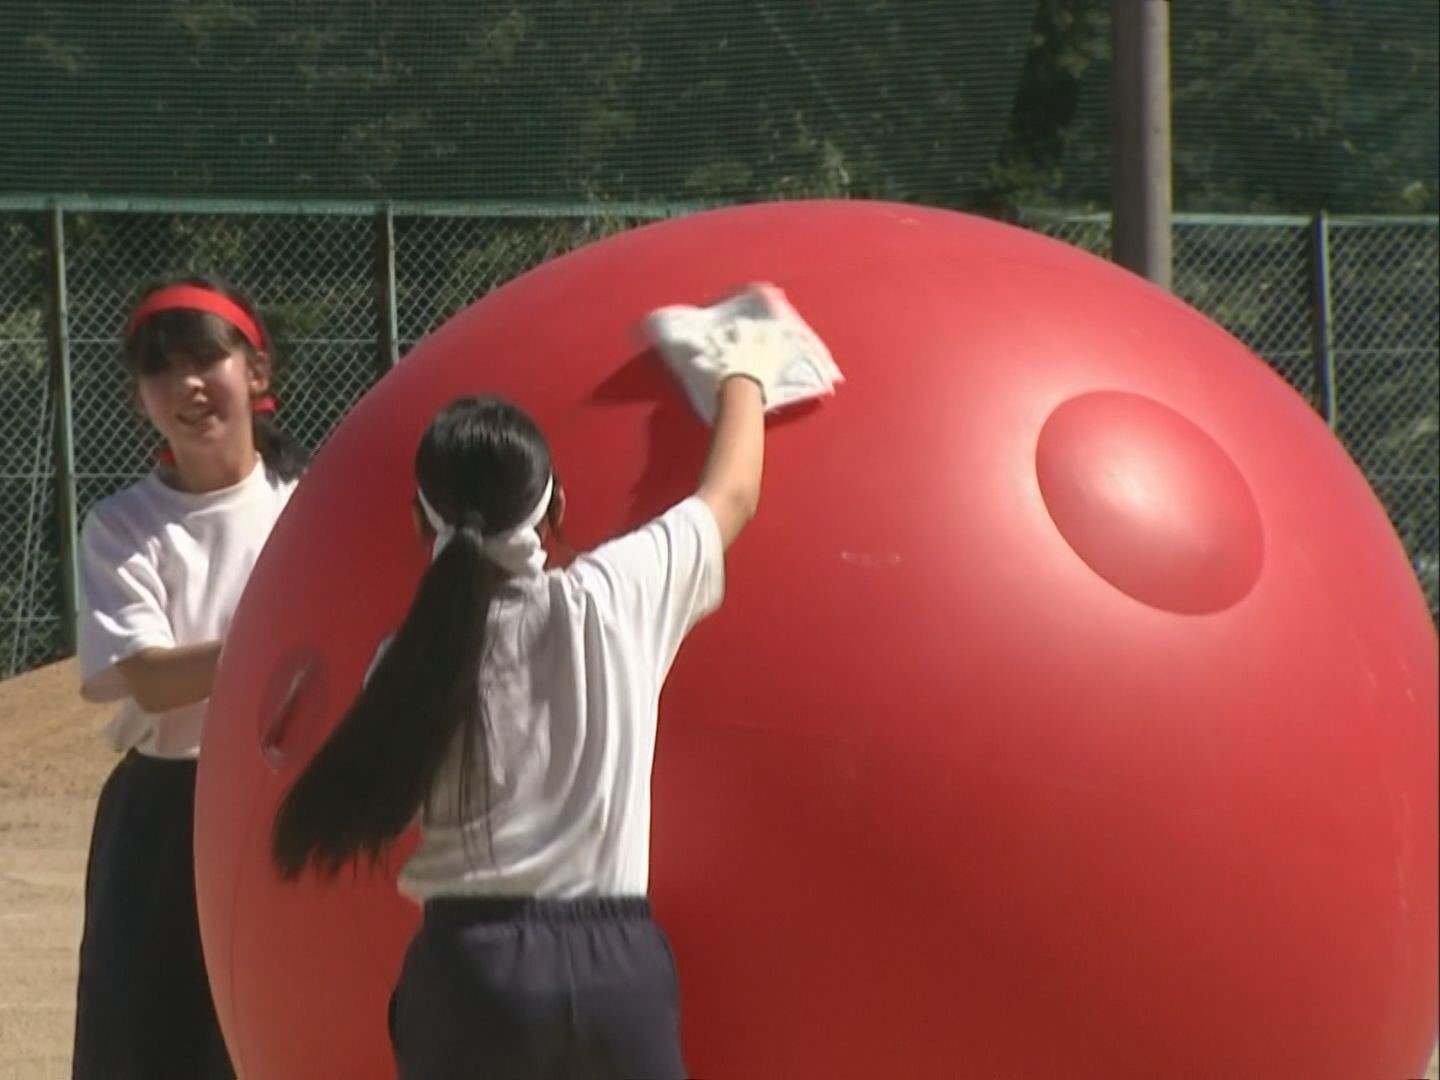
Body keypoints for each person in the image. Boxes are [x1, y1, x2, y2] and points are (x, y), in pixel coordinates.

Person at [270, 313, 799, 1079]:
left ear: (420, 518)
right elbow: (733, 494)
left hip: (472, 976)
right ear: (555, 509)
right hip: (619, 974)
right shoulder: (614, 597)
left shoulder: (405, 662)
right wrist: (744, 370)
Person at [73, 275, 307, 1079]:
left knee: (273, 1035)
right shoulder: (121, 526)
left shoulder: (309, 507)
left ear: (257, 370)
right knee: (144, 1042)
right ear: (140, 396)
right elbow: (151, 680)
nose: (186, 385)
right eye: (159, 369)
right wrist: (280, 641)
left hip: (285, 802)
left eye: (206, 359)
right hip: (165, 811)